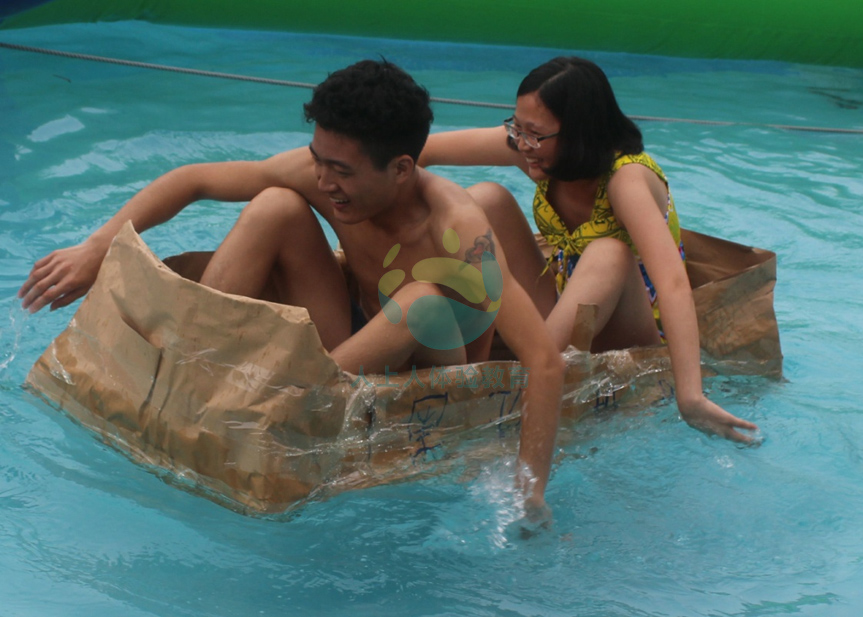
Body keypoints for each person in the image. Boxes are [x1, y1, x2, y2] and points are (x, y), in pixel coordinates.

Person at [18, 60, 565, 517]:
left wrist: (530, 493)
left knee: (421, 301)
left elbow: (543, 361)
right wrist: (95, 248)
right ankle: (193, 375)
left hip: (429, 367)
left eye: (341, 171)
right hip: (351, 337)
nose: (325, 182)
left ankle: (292, 403)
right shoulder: (324, 175)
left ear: (402, 169)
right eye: (318, 160)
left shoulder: (459, 232)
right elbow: (194, 180)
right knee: (274, 206)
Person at [419, 56, 758, 443]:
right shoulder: (535, 150)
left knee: (609, 253)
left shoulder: (626, 179)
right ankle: (470, 364)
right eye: (517, 128)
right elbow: (419, 152)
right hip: (566, 313)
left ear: (579, 133)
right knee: (485, 200)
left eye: (535, 133)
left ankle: (524, 387)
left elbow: (673, 283)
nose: (522, 143)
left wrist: (690, 396)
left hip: (633, 333)